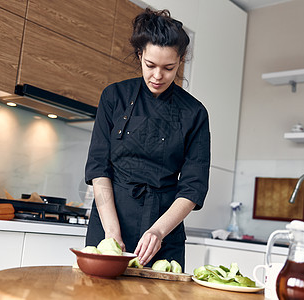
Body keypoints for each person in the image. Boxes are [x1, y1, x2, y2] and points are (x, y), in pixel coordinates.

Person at [84, 8, 210, 269]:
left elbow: (193, 187)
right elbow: (99, 168)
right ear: (140, 54)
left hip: (164, 229)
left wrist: (158, 232)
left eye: (169, 68)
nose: (157, 76)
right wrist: (111, 233)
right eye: (150, 65)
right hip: (109, 222)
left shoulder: (194, 113)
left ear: (181, 61)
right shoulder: (114, 97)